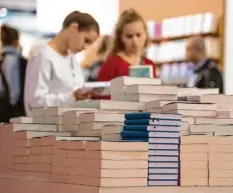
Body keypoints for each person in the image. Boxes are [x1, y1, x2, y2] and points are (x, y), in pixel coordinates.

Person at [24, 11, 99, 116]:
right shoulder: (43, 54)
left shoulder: (72, 58)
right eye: (86, 40)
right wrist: (71, 97)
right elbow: (34, 101)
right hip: (44, 126)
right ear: (74, 27)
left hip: (69, 124)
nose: (85, 47)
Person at [97, 9, 156, 81]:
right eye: (129, 36)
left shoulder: (150, 64)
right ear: (120, 38)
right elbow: (101, 90)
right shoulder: (112, 63)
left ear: (146, 35)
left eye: (138, 35)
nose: (135, 41)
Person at [0, 25, 26, 122]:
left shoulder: (2, 58)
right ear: (16, 41)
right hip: (12, 111)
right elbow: (15, 93)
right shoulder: (18, 60)